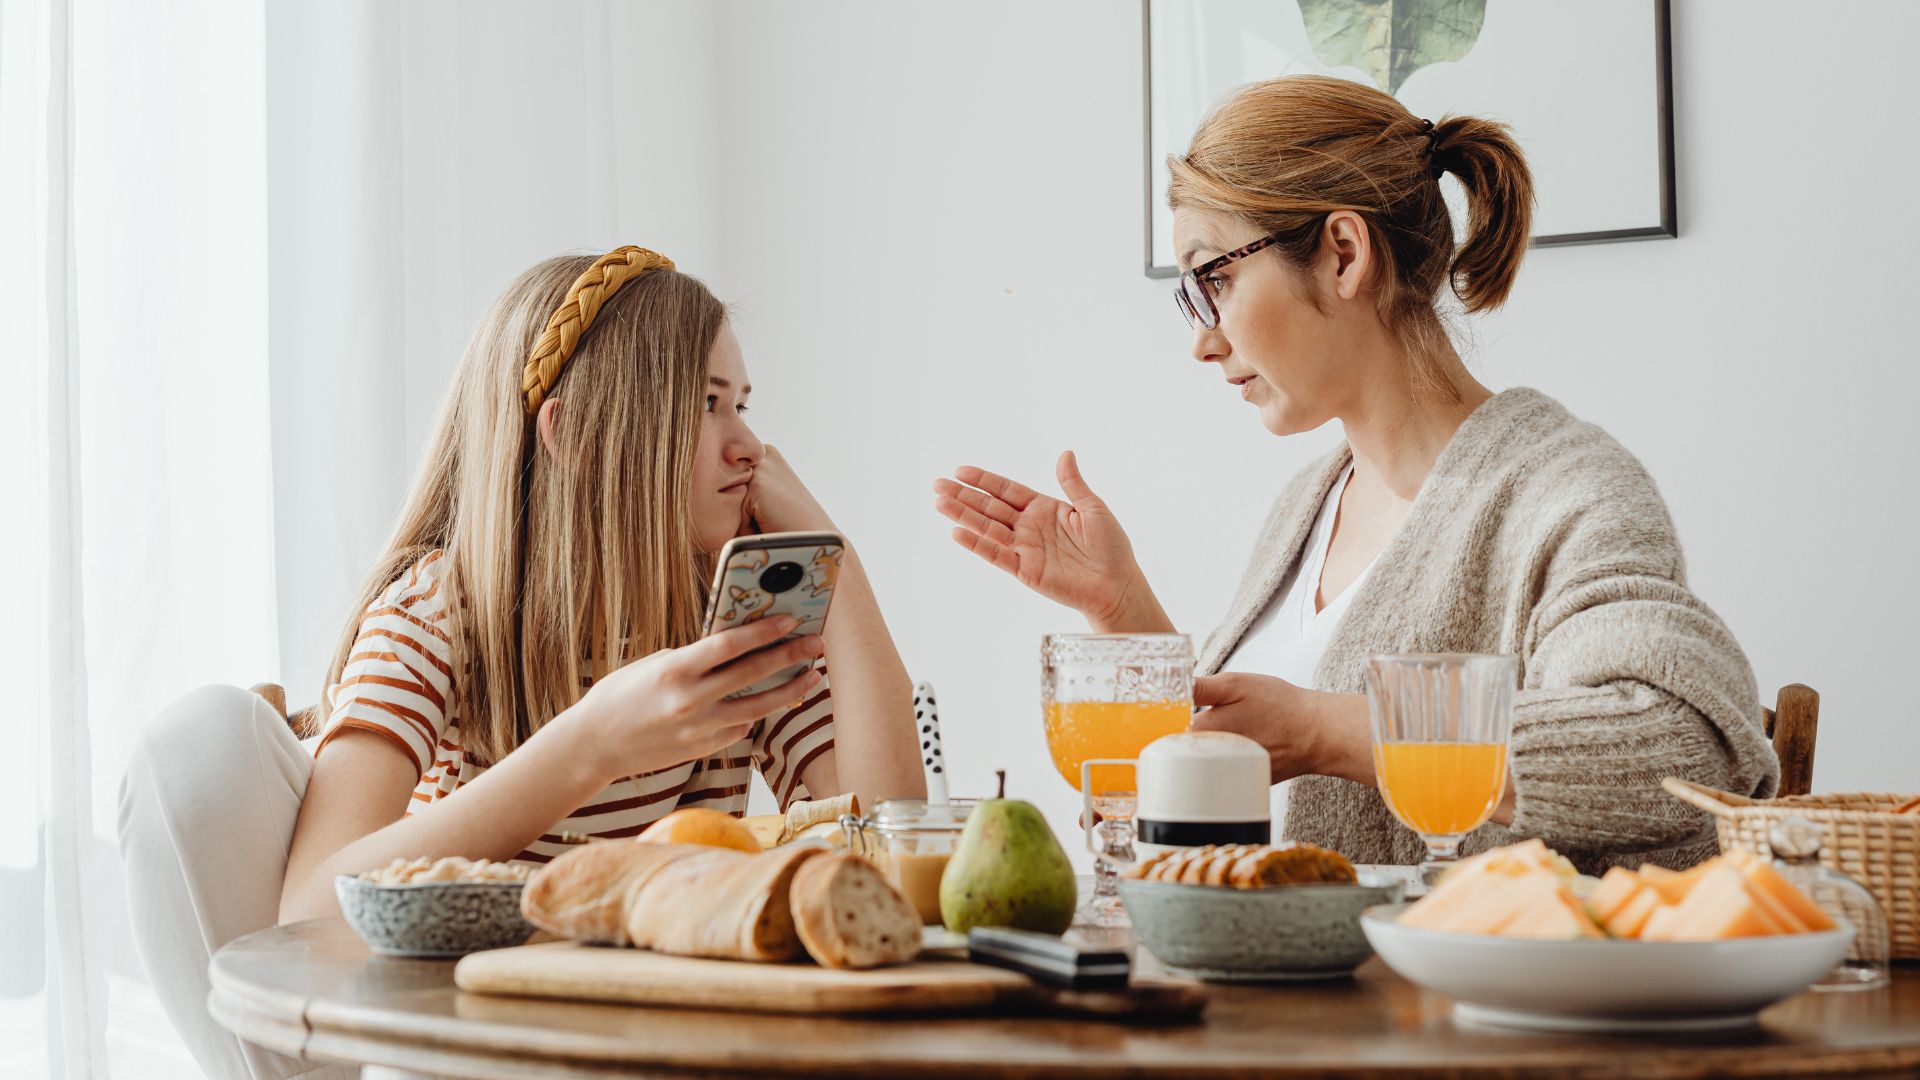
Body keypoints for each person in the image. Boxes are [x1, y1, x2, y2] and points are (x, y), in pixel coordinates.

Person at [934, 76, 1775, 875]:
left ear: (1342, 253)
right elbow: (1239, 765)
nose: (1202, 337)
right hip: (1265, 1007)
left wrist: (1326, 730)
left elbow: (1684, 745)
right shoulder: (1309, 504)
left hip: (1448, 1018)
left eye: (1215, 277)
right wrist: (1124, 610)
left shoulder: (1564, 493)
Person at [121, 246, 923, 1079]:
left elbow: (889, 841)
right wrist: (595, 743)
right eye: (709, 404)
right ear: (572, 432)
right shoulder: (440, 607)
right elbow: (313, 912)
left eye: (745, 405)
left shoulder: (723, 622)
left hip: (649, 1040)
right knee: (199, 739)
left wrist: (838, 561)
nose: (749, 445)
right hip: (458, 1038)